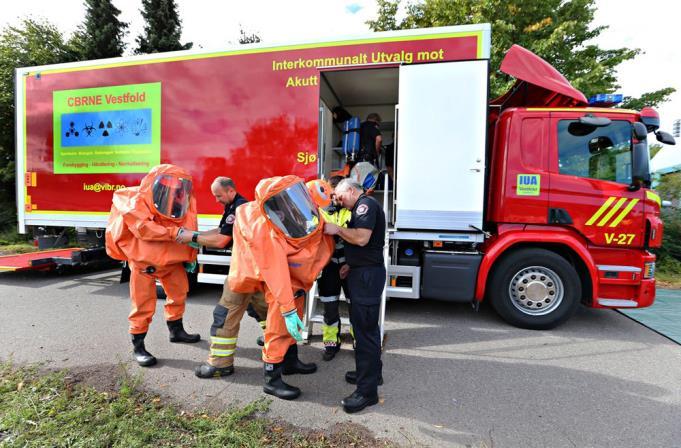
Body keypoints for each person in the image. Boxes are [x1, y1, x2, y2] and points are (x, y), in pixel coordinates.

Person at [228, 175, 334, 400]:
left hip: (294, 283)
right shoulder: (264, 230)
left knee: (290, 330)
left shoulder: (285, 212)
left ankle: (291, 362)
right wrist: (287, 307)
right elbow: (275, 270)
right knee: (277, 331)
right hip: (280, 286)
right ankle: (271, 380)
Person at [105, 164, 201, 367]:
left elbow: (189, 226)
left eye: (178, 187)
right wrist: (174, 234)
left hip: (172, 261)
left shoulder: (179, 202)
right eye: (169, 185)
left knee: (179, 294)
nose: (174, 190)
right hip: (144, 264)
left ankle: (176, 331)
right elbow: (144, 229)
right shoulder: (134, 202)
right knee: (142, 306)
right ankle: (138, 347)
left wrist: (190, 255)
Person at [177, 177, 269, 378]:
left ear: (230, 190)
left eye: (218, 195)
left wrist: (192, 238)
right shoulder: (235, 206)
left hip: (244, 272)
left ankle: (220, 363)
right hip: (255, 270)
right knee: (264, 310)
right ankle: (282, 350)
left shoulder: (238, 208)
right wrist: (196, 234)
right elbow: (221, 231)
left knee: (224, 314)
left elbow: (222, 241)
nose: (216, 199)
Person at [323, 178, 386, 413]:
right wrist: (351, 263)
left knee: (364, 332)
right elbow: (364, 246)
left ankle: (366, 392)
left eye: (340, 197)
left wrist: (337, 229)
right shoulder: (363, 205)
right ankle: (371, 375)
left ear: (351, 190)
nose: (338, 201)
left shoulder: (365, 205)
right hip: (363, 271)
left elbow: (361, 238)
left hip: (366, 277)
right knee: (368, 328)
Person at [308, 176, 352, 361]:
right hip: (328, 267)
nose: (334, 197)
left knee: (355, 307)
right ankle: (331, 343)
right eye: (330, 193)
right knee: (330, 306)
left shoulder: (352, 210)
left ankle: (358, 341)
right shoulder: (319, 211)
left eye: (336, 193)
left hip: (351, 265)